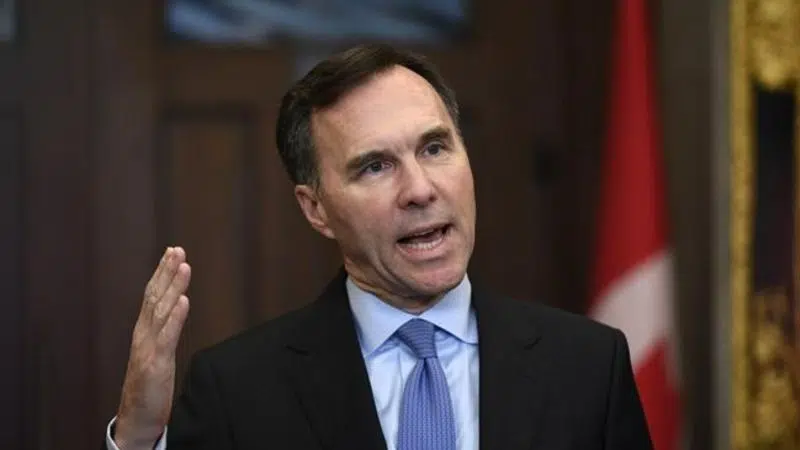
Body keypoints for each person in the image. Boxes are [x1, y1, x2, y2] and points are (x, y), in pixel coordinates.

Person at [105, 44, 653, 450]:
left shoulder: (587, 367)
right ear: (316, 209)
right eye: (375, 166)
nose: (419, 189)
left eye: (434, 148)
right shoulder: (239, 390)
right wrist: (136, 439)